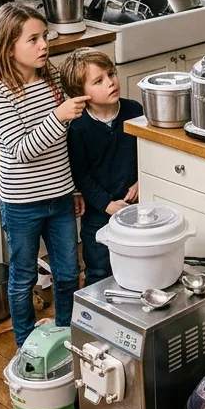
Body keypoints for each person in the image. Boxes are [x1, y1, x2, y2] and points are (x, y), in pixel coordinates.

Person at [0, 3, 88, 345]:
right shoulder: (0, 95)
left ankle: (64, 339)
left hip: (59, 198)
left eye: (44, 37)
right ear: (9, 46)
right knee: (23, 277)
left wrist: (73, 188)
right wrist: (59, 117)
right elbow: (23, 150)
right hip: (22, 205)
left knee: (69, 274)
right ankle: (26, 345)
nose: (44, 45)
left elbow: (63, 146)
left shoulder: (52, 79)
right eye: (33, 39)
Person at [63, 48, 144, 288]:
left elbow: (148, 153)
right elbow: (82, 176)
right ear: (81, 94)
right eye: (98, 81)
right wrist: (107, 204)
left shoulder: (134, 110)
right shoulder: (78, 128)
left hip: (137, 207)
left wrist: (142, 180)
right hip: (99, 216)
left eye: (111, 74)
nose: (110, 82)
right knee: (99, 272)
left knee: (138, 266)